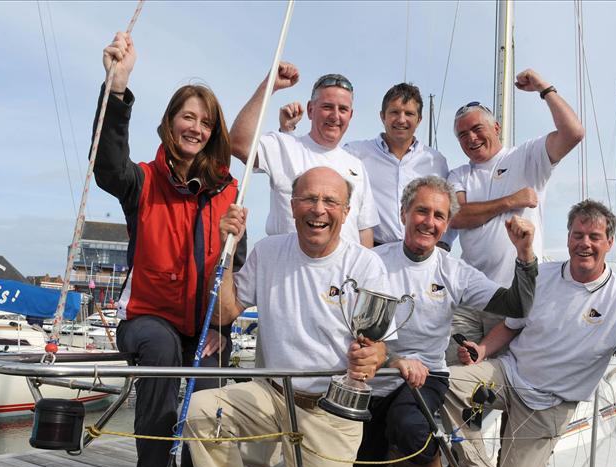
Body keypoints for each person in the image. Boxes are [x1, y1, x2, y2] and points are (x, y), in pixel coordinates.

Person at [185, 166, 402, 467]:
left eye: (330, 201)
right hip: (272, 395)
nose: (318, 210)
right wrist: (225, 251)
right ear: (292, 205)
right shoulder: (269, 252)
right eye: (308, 199)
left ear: (346, 211)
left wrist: (371, 358)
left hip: (331, 411)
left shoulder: (366, 264)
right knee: (201, 410)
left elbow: (379, 345)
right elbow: (224, 313)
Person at [93, 32, 247, 467]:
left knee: (213, 388)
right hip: (149, 320)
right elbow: (106, 167)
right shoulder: (141, 180)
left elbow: (234, 287)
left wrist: (224, 329)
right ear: (170, 122)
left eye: (205, 121)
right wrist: (117, 88)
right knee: (160, 354)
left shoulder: (229, 194)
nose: (196, 128)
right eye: (188, 117)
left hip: (204, 327)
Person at [443, 200, 616, 467]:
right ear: (568, 238)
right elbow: (510, 326)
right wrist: (482, 350)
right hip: (507, 377)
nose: (584, 243)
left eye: (594, 236)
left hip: (549, 404)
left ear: (609, 242)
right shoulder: (540, 276)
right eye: (577, 234)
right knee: (444, 383)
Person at [346, 175, 537, 467]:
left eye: (439, 216)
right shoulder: (370, 262)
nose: (429, 222)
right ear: (404, 212)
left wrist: (525, 256)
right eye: (421, 211)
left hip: (426, 377)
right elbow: (354, 330)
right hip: (376, 376)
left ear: (447, 225)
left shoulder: (454, 271)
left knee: (408, 422)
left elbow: (517, 305)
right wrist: (391, 361)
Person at [445, 68, 585, 365]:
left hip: (515, 295)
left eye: (476, 129)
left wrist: (544, 89)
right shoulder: (459, 175)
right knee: (458, 378)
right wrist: (511, 200)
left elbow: (574, 133)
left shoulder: (527, 156)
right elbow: (456, 217)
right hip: (469, 296)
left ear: (496, 127)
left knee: (509, 384)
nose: (470, 138)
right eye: (462, 135)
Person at [286, 82, 453, 249]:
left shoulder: (436, 161)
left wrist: (444, 245)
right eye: (394, 112)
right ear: (382, 116)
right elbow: (316, 165)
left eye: (409, 113)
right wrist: (288, 131)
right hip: (377, 250)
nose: (401, 119)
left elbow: (446, 208)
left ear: (419, 119)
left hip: (422, 252)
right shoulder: (355, 153)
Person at [230, 63, 378, 247]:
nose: (335, 116)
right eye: (327, 107)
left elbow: (364, 230)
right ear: (310, 110)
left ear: (351, 115)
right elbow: (238, 143)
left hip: (344, 274)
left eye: (343, 109)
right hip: (287, 269)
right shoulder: (284, 146)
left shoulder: (357, 166)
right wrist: (269, 86)